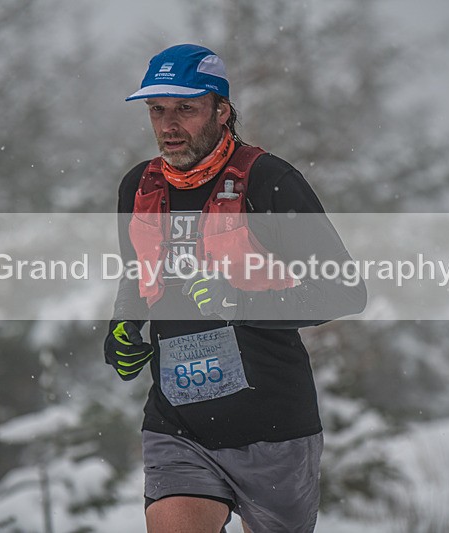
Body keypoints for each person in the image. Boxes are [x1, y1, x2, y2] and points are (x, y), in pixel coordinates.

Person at [103, 44, 367, 533]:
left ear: (222, 110)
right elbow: (137, 273)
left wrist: (241, 301)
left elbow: (345, 291)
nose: (168, 125)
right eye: (157, 110)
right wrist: (123, 325)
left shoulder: (269, 180)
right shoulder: (138, 186)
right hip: (179, 424)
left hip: (274, 427)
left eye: (185, 109)